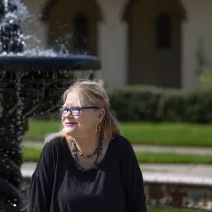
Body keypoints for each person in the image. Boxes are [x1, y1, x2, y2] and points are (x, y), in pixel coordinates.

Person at [27, 80, 147, 212]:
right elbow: (36, 207)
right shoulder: (54, 150)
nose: (67, 115)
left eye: (75, 109)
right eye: (65, 109)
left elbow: (138, 206)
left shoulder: (121, 149)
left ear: (100, 115)